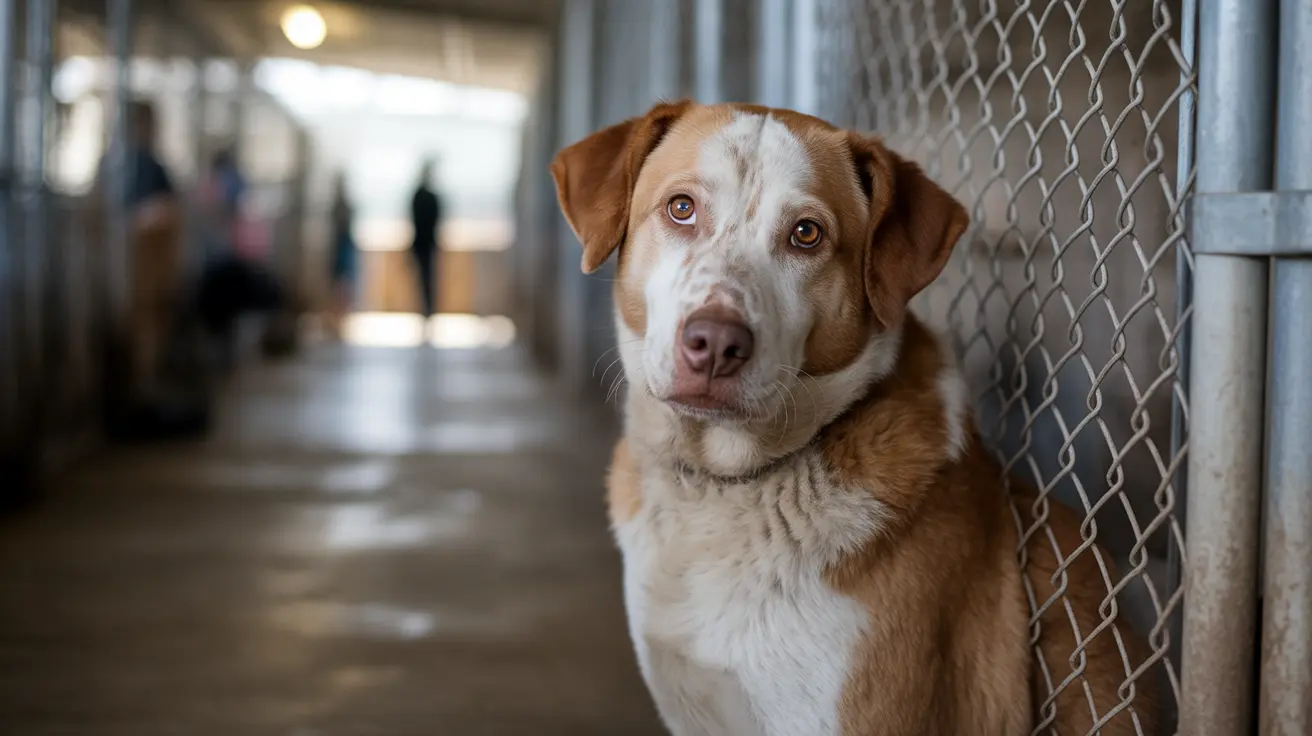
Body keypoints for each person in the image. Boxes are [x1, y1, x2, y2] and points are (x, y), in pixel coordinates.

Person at [409, 159, 444, 324]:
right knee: (424, 278)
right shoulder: (424, 196)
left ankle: (428, 310)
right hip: (424, 243)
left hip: (426, 243)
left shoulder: (426, 196)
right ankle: (425, 309)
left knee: (427, 278)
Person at [328, 173, 358, 336]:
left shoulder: (342, 205)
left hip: (343, 246)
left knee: (343, 284)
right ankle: (337, 318)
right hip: (339, 246)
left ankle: (341, 318)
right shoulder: (339, 205)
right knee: (339, 284)